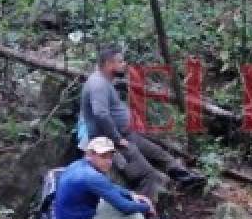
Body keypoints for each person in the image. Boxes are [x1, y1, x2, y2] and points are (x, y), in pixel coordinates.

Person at [78, 47, 206, 204]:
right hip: (110, 142)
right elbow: (100, 114)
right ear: (109, 64)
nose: (124, 64)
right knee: (147, 175)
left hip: (126, 134)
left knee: (157, 152)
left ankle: (184, 177)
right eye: (120, 61)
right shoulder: (98, 84)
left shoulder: (105, 81)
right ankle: (145, 216)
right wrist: (117, 139)